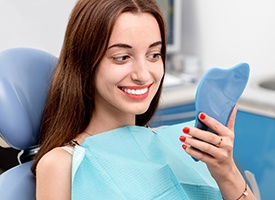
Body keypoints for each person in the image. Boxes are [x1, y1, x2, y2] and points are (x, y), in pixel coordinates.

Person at [31, 0, 256, 199]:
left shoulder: (180, 144)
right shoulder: (62, 165)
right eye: (121, 57)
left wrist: (227, 173)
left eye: (154, 55)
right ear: (85, 63)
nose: (143, 74)